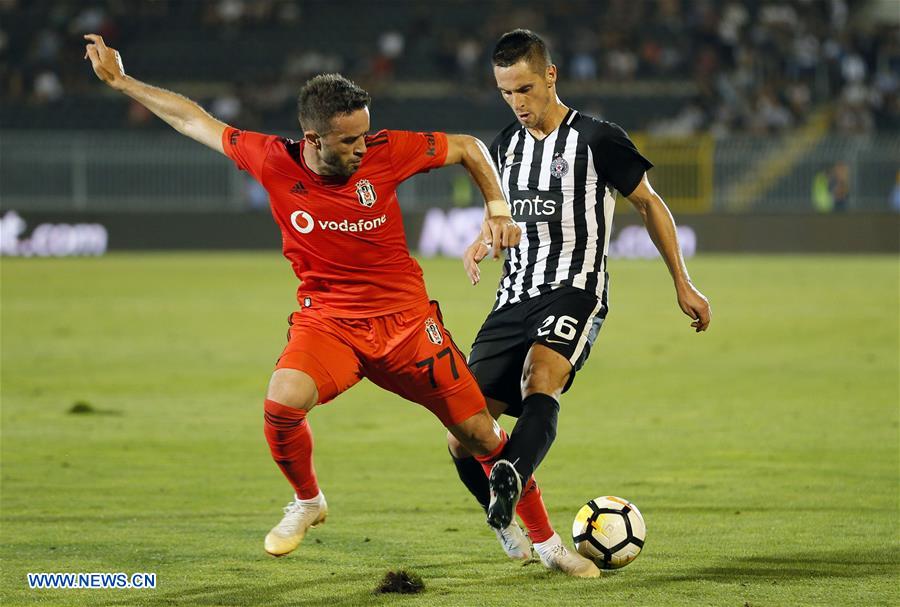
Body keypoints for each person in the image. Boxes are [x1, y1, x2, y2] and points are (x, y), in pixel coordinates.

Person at [82, 33, 596, 576]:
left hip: (407, 327)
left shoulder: (385, 150)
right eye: (349, 141)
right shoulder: (272, 161)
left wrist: (497, 208)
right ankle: (308, 501)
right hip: (330, 325)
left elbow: (468, 145)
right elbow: (193, 120)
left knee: (482, 437)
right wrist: (122, 82)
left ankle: (548, 544)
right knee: (281, 403)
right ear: (313, 138)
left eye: (365, 134)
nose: (362, 148)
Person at [448, 29, 712, 552]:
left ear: (551, 75)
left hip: (575, 289)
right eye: (505, 91)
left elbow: (649, 203)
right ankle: (502, 514)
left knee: (539, 378)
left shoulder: (596, 138)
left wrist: (683, 282)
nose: (516, 102)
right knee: (462, 433)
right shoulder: (504, 146)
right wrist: (484, 238)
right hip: (513, 296)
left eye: (524, 88)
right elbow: (498, 207)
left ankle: (512, 475)